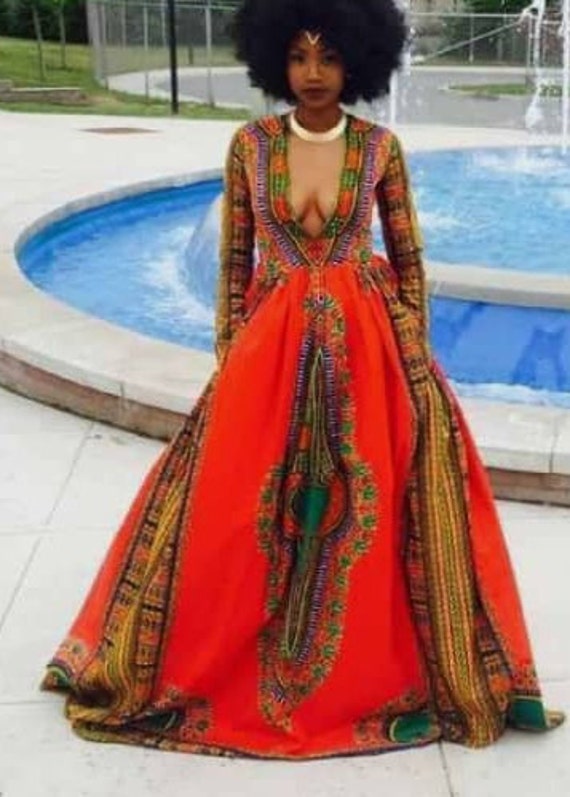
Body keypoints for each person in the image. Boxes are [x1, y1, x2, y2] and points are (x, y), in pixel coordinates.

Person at [41, 0, 563, 759]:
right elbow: (235, 257)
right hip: (271, 343)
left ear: (357, 62)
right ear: (273, 62)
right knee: (236, 501)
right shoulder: (249, 145)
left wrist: (413, 348)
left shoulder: (380, 148)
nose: (312, 73)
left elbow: (409, 257)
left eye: (328, 56)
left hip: (368, 345)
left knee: (371, 505)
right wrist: (232, 348)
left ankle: (371, 666)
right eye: (297, 56)